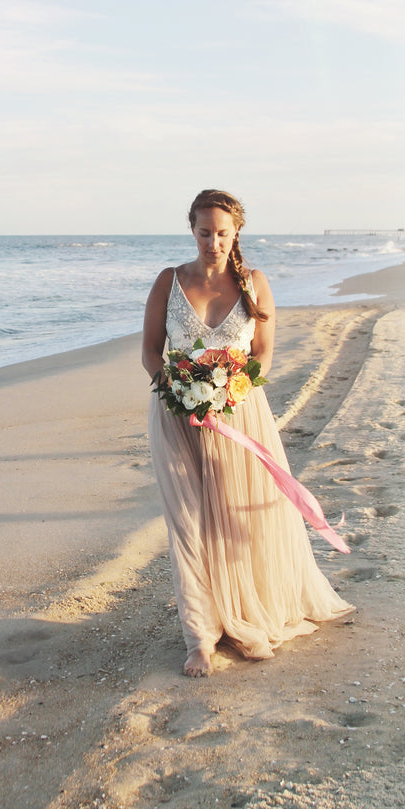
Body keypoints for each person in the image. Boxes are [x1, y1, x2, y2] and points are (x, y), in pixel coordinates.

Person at [142, 189, 354, 677]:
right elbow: (151, 351)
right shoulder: (168, 282)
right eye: (203, 232)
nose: (212, 242)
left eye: (221, 233)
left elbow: (262, 354)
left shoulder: (255, 283)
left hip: (241, 414)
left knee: (240, 520)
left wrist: (228, 392)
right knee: (188, 524)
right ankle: (199, 638)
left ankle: (243, 615)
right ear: (190, 229)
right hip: (177, 417)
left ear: (236, 232)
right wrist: (179, 390)